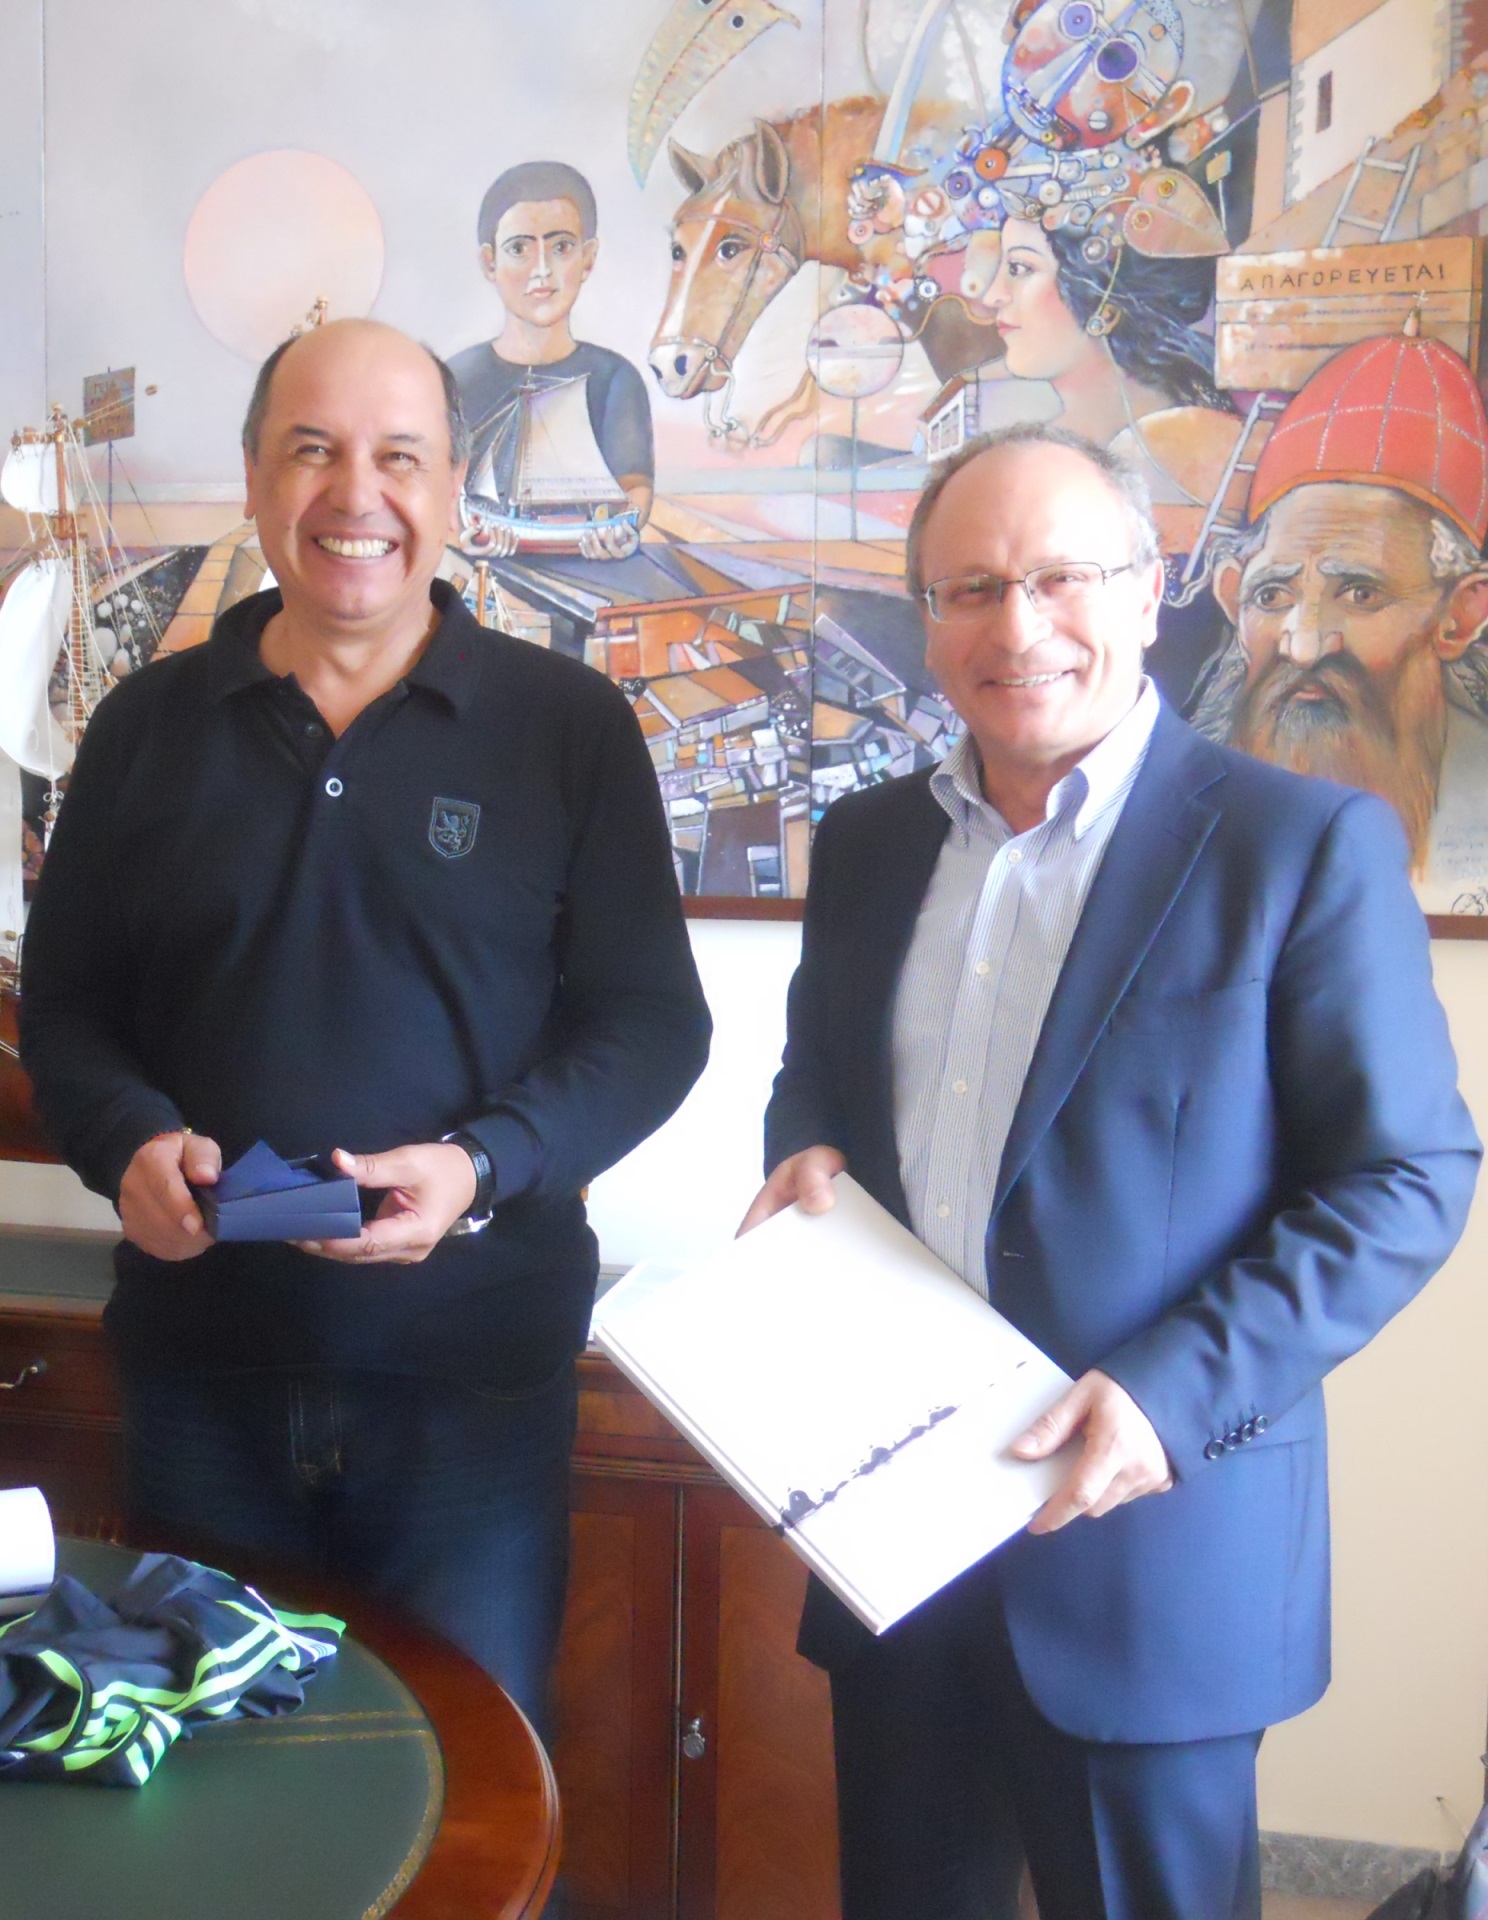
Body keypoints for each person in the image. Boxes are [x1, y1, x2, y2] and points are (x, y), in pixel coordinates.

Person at [740, 422, 1479, 1920]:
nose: (1017, 628)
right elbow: (819, 1079)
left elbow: (1405, 1180)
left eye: (1061, 578)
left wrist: (1169, 1396)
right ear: (928, 620)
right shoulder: (869, 845)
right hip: (899, 1549)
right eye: (970, 589)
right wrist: (801, 1150)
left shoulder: (1298, 846)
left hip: (1155, 1558)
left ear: (1150, 593)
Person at [19, 318, 711, 1735]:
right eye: (311, 450)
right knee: (215, 1788)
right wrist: (127, 1139)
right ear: (255, 480)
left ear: (452, 487)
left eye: (400, 456)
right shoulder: (144, 728)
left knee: (468, 1787)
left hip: (474, 1393)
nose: (357, 495)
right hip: (201, 1378)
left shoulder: (569, 728)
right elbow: (67, 1006)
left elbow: (652, 1024)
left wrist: (481, 1164)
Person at [1192, 318, 1488, 915]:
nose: (1303, 646)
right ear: (1231, 596)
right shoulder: (1179, 802)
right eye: (1272, 596)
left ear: (1459, 616)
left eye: (1359, 594)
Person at [449, 160, 653, 560]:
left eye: (561, 248)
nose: (541, 270)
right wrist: (457, 535)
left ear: (588, 258)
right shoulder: (455, 379)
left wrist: (620, 530)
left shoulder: (616, 379)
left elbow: (635, 488)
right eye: (519, 249)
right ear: (490, 262)